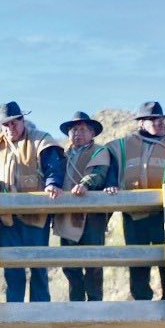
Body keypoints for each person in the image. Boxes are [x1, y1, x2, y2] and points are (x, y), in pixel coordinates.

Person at [106, 102, 165, 301]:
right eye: (153, 120)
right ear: (141, 123)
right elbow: (110, 165)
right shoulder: (122, 145)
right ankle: (141, 300)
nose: (159, 123)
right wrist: (112, 183)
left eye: (161, 119)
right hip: (133, 213)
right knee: (137, 259)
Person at [0, 103, 64, 303]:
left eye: (14, 123)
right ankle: (13, 309)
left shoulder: (40, 139)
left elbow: (53, 164)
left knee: (38, 266)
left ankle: (40, 309)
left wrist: (52, 183)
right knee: (12, 267)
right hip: (7, 218)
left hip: (36, 215)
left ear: (22, 121)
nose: (11, 128)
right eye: (6, 125)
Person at [52, 112, 113, 302]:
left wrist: (85, 184)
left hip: (92, 216)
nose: (78, 133)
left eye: (83, 129)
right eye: (74, 129)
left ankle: (95, 302)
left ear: (92, 133)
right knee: (69, 263)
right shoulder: (62, 155)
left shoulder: (99, 151)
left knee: (93, 261)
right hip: (67, 215)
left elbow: (99, 173)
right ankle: (75, 302)